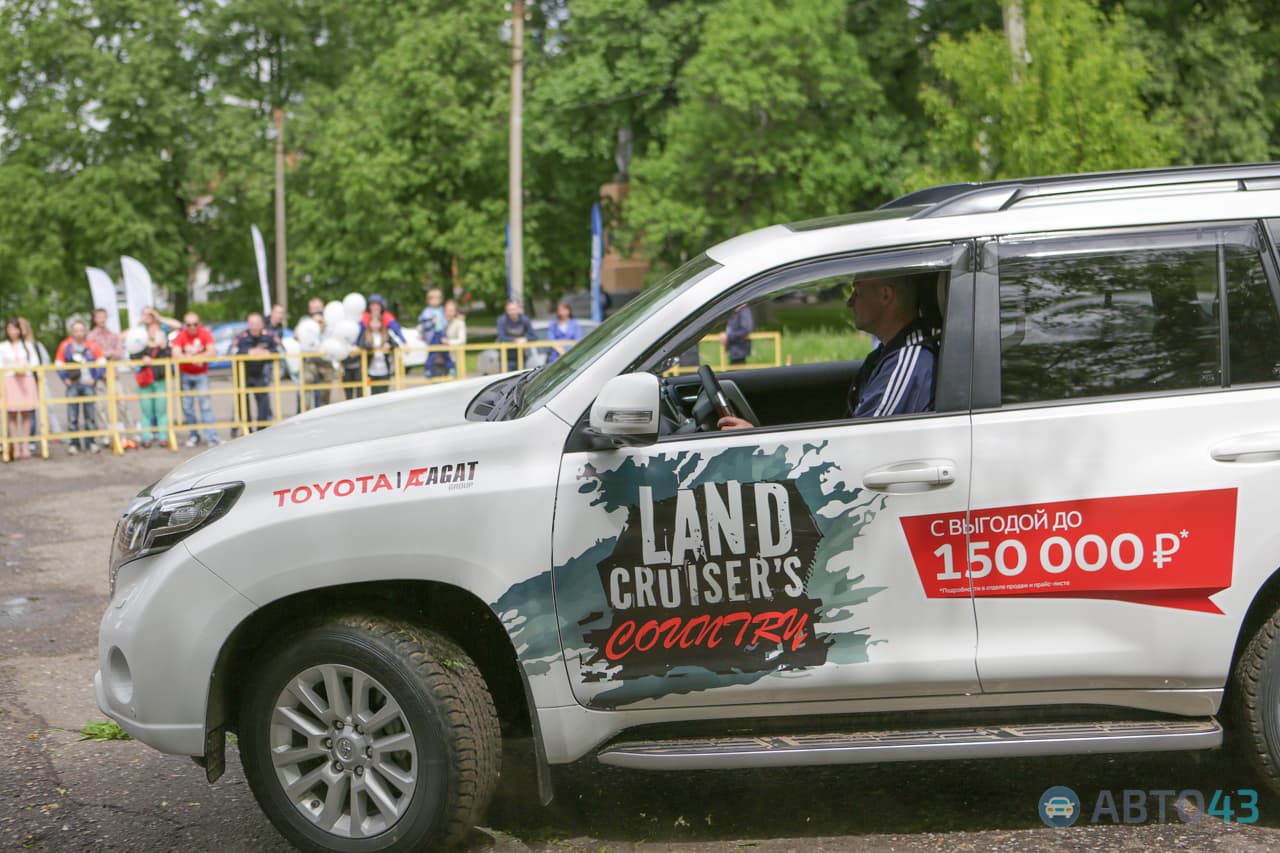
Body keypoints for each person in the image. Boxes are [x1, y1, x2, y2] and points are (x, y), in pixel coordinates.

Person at [718, 275, 936, 430]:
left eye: (857, 291)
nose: (850, 302)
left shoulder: (908, 360)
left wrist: (758, 444)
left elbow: (859, 445)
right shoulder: (886, 355)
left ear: (886, 296)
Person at [54, 320, 106, 453]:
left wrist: (95, 379)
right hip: (73, 385)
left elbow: (101, 362)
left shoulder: (92, 346)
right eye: (76, 330)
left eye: (81, 330)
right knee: (72, 416)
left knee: (90, 415)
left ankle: (91, 442)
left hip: (88, 384)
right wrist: (65, 379)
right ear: (72, 332)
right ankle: (74, 443)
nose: (78, 333)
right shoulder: (65, 346)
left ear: (85, 331)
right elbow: (58, 364)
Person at [172, 312, 220, 447]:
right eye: (188, 325)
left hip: (201, 374)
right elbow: (175, 354)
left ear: (199, 323)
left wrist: (197, 357)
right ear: (185, 325)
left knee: (205, 405)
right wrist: (194, 358)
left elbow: (212, 352)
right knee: (187, 407)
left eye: (195, 324)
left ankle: (212, 437)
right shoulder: (181, 335)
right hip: (185, 374)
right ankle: (194, 436)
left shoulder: (205, 333)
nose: (192, 327)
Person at [87, 307, 130, 442]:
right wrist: (107, 355)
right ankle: (106, 434)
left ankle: (126, 432)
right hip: (99, 376)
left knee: (121, 402)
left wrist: (105, 354)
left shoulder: (113, 335)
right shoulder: (91, 336)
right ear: (94, 319)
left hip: (113, 374)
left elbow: (119, 353)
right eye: (99, 317)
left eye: (103, 316)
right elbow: (91, 354)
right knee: (101, 406)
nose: (101, 319)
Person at [233, 312, 280, 432]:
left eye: (257, 324)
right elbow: (235, 351)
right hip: (243, 375)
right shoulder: (241, 337)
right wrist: (250, 351)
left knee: (263, 402)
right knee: (242, 403)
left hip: (259, 374)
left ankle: (262, 429)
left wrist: (268, 352)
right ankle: (246, 429)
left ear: (262, 325)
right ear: (248, 325)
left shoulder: (268, 336)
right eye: (252, 324)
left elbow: (277, 350)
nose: (254, 327)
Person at [0, 318, 39, 460]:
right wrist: (12, 371)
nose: (13, 332)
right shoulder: (3, 346)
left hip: (25, 380)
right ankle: (14, 446)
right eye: (10, 329)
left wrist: (24, 369)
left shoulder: (27, 345)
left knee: (26, 413)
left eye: (15, 329)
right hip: (10, 380)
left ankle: (25, 445)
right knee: (12, 414)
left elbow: (35, 362)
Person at [135, 317, 171, 448]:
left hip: (160, 381)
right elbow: (132, 354)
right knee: (146, 412)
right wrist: (142, 356)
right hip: (145, 383)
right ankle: (146, 438)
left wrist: (163, 347)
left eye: (157, 329)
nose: (154, 332)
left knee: (161, 411)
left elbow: (170, 355)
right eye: (152, 330)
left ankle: (163, 437)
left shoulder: (164, 346)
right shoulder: (141, 345)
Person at [302, 310, 335, 408]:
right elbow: (303, 348)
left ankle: (324, 407)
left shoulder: (330, 333)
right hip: (311, 361)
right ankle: (306, 409)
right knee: (307, 379)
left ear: (324, 322)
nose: (317, 325)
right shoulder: (307, 332)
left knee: (327, 381)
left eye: (320, 322)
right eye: (315, 322)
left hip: (325, 363)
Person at [357, 315, 397, 394]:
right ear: (369, 323)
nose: (375, 325)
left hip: (384, 370)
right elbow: (362, 345)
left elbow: (395, 345)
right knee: (372, 394)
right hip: (371, 371)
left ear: (381, 323)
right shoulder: (366, 334)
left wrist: (389, 346)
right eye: (373, 322)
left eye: (377, 322)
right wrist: (372, 347)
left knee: (384, 394)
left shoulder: (386, 334)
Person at [496, 300, 536, 371]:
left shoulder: (525, 320)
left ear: (519, 309)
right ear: (506, 310)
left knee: (521, 380)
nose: (512, 312)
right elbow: (501, 337)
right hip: (505, 358)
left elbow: (534, 336)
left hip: (520, 356)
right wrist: (515, 340)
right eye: (509, 310)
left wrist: (525, 339)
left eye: (513, 309)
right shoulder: (502, 320)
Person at [418, 288, 446, 376]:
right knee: (432, 353)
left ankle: (450, 367)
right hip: (432, 334)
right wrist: (431, 322)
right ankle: (428, 369)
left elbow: (446, 320)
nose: (435, 301)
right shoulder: (427, 311)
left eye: (437, 298)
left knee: (445, 351)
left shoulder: (442, 309)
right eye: (432, 298)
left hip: (441, 332)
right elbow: (422, 323)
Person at [437, 299, 467, 377]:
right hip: (438, 360)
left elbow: (462, 340)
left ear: (455, 312)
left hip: (454, 360)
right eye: (446, 310)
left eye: (451, 310)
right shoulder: (439, 322)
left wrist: (448, 342)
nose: (448, 313)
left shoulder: (459, 323)